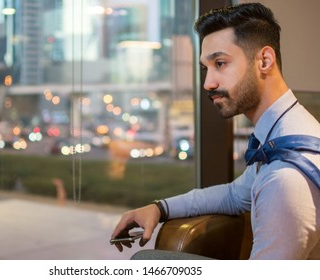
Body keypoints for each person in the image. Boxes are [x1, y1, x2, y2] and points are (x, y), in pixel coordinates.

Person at [111, 2, 320, 260]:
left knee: (146, 262)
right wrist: (160, 208)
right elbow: (234, 194)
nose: (208, 83)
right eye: (205, 68)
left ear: (264, 61)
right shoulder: (288, 130)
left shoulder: (284, 178)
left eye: (220, 63)